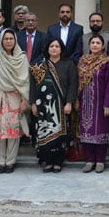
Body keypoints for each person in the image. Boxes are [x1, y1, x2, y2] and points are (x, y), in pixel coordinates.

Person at [0, 29, 30, 174]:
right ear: (1, 41)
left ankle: (10, 162)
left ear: (15, 41)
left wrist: (24, 101)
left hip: (14, 99)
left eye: (11, 39)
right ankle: (1, 162)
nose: (8, 41)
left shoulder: (21, 58)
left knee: (13, 132)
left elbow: (25, 82)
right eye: (6, 39)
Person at [30, 38, 78, 173]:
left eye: (57, 46)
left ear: (61, 49)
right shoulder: (39, 65)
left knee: (60, 135)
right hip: (43, 107)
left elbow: (73, 85)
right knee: (45, 133)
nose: (54, 48)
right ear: (47, 48)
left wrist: (69, 102)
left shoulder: (68, 64)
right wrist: (33, 103)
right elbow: (32, 86)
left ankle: (58, 161)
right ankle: (47, 161)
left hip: (61, 107)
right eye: (51, 46)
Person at [77, 35, 109, 174]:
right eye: (92, 42)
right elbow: (78, 82)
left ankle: (100, 161)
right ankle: (89, 160)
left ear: (103, 46)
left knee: (100, 131)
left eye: (98, 43)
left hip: (101, 102)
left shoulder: (107, 62)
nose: (95, 45)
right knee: (86, 130)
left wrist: (108, 104)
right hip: (84, 101)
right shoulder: (82, 61)